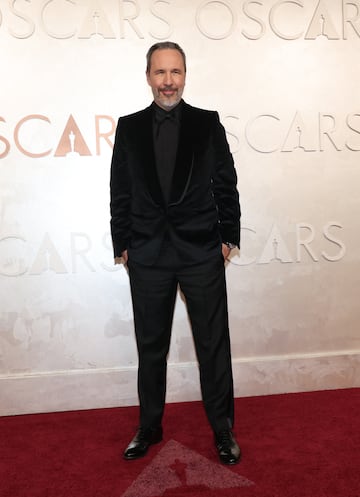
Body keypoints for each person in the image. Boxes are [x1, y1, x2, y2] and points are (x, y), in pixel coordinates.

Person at [110, 41, 241, 465]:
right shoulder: (128, 128)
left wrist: (229, 236)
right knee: (151, 345)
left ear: (185, 75)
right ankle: (149, 426)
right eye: (160, 72)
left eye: (176, 72)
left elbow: (225, 183)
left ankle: (223, 429)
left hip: (201, 249)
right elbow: (120, 191)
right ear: (148, 76)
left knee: (213, 344)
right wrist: (123, 244)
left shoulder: (208, 123)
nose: (169, 81)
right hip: (147, 253)